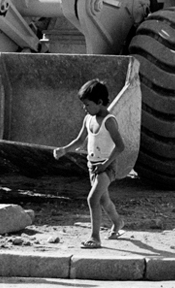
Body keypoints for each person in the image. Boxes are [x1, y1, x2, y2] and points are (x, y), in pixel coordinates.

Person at [53, 79, 125, 249]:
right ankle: (118, 222)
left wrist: (106, 164)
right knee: (103, 201)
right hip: (92, 166)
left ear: (99, 102)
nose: (84, 108)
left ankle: (95, 238)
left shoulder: (109, 121)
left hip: (107, 167)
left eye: (87, 104)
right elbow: (79, 140)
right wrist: (64, 149)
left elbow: (121, 146)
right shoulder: (88, 118)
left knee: (92, 199)